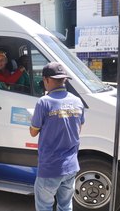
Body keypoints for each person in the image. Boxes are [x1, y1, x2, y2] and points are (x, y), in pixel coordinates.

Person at [29, 62, 85, 211]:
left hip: (51, 167)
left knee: (44, 206)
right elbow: (78, 129)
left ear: (47, 80)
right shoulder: (77, 101)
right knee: (65, 206)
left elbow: (33, 132)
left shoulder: (43, 102)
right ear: (64, 80)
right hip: (71, 166)